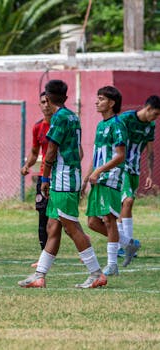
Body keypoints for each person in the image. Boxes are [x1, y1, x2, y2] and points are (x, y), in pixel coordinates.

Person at [18, 79, 106, 289]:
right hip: (66, 177)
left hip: (63, 179)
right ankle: (40, 275)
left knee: (71, 227)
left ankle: (96, 273)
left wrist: (45, 177)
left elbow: (50, 150)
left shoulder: (58, 118)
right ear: (65, 98)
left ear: (47, 98)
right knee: (53, 226)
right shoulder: (72, 116)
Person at [81, 86, 127, 277]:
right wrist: (86, 177)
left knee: (108, 219)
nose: (96, 102)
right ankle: (127, 243)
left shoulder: (118, 124)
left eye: (101, 99)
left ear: (111, 103)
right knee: (92, 222)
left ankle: (112, 264)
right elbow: (96, 154)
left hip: (111, 176)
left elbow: (120, 156)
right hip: (97, 178)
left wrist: (99, 171)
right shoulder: (101, 125)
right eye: (97, 98)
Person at [116, 95, 160, 267]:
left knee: (126, 206)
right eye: (155, 114)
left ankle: (123, 244)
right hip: (121, 167)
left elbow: (150, 152)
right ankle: (128, 245)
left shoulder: (150, 126)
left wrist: (149, 174)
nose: (155, 118)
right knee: (128, 201)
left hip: (135, 169)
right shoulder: (126, 119)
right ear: (147, 108)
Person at [21, 92, 52, 258]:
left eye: (48, 101)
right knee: (43, 217)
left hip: (60, 177)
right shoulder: (38, 127)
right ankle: (44, 256)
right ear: (39, 105)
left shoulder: (61, 125)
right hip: (43, 177)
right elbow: (34, 152)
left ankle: (83, 247)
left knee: (64, 220)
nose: (46, 105)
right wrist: (27, 165)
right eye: (43, 102)